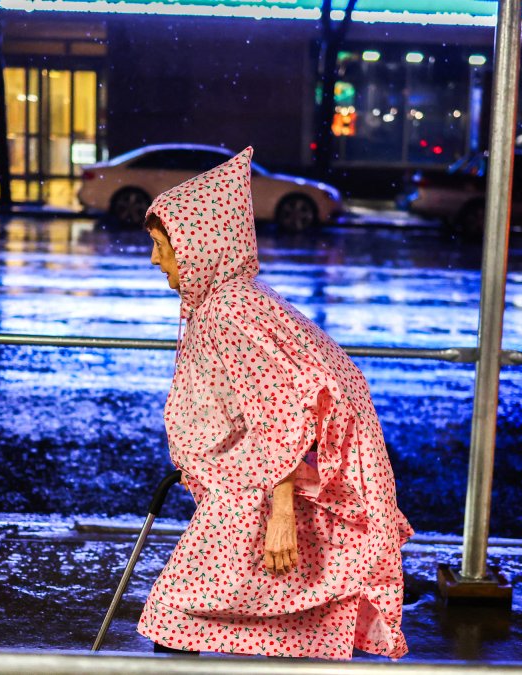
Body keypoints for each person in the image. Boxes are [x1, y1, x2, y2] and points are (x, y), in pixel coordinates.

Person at [136, 147, 412, 660]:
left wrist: (279, 512)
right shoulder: (237, 297)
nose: (155, 259)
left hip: (257, 490)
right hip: (258, 481)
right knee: (290, 610)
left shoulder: (229, 310)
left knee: (178, 613)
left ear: (197, 246)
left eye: (160, 246)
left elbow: (280, 410)